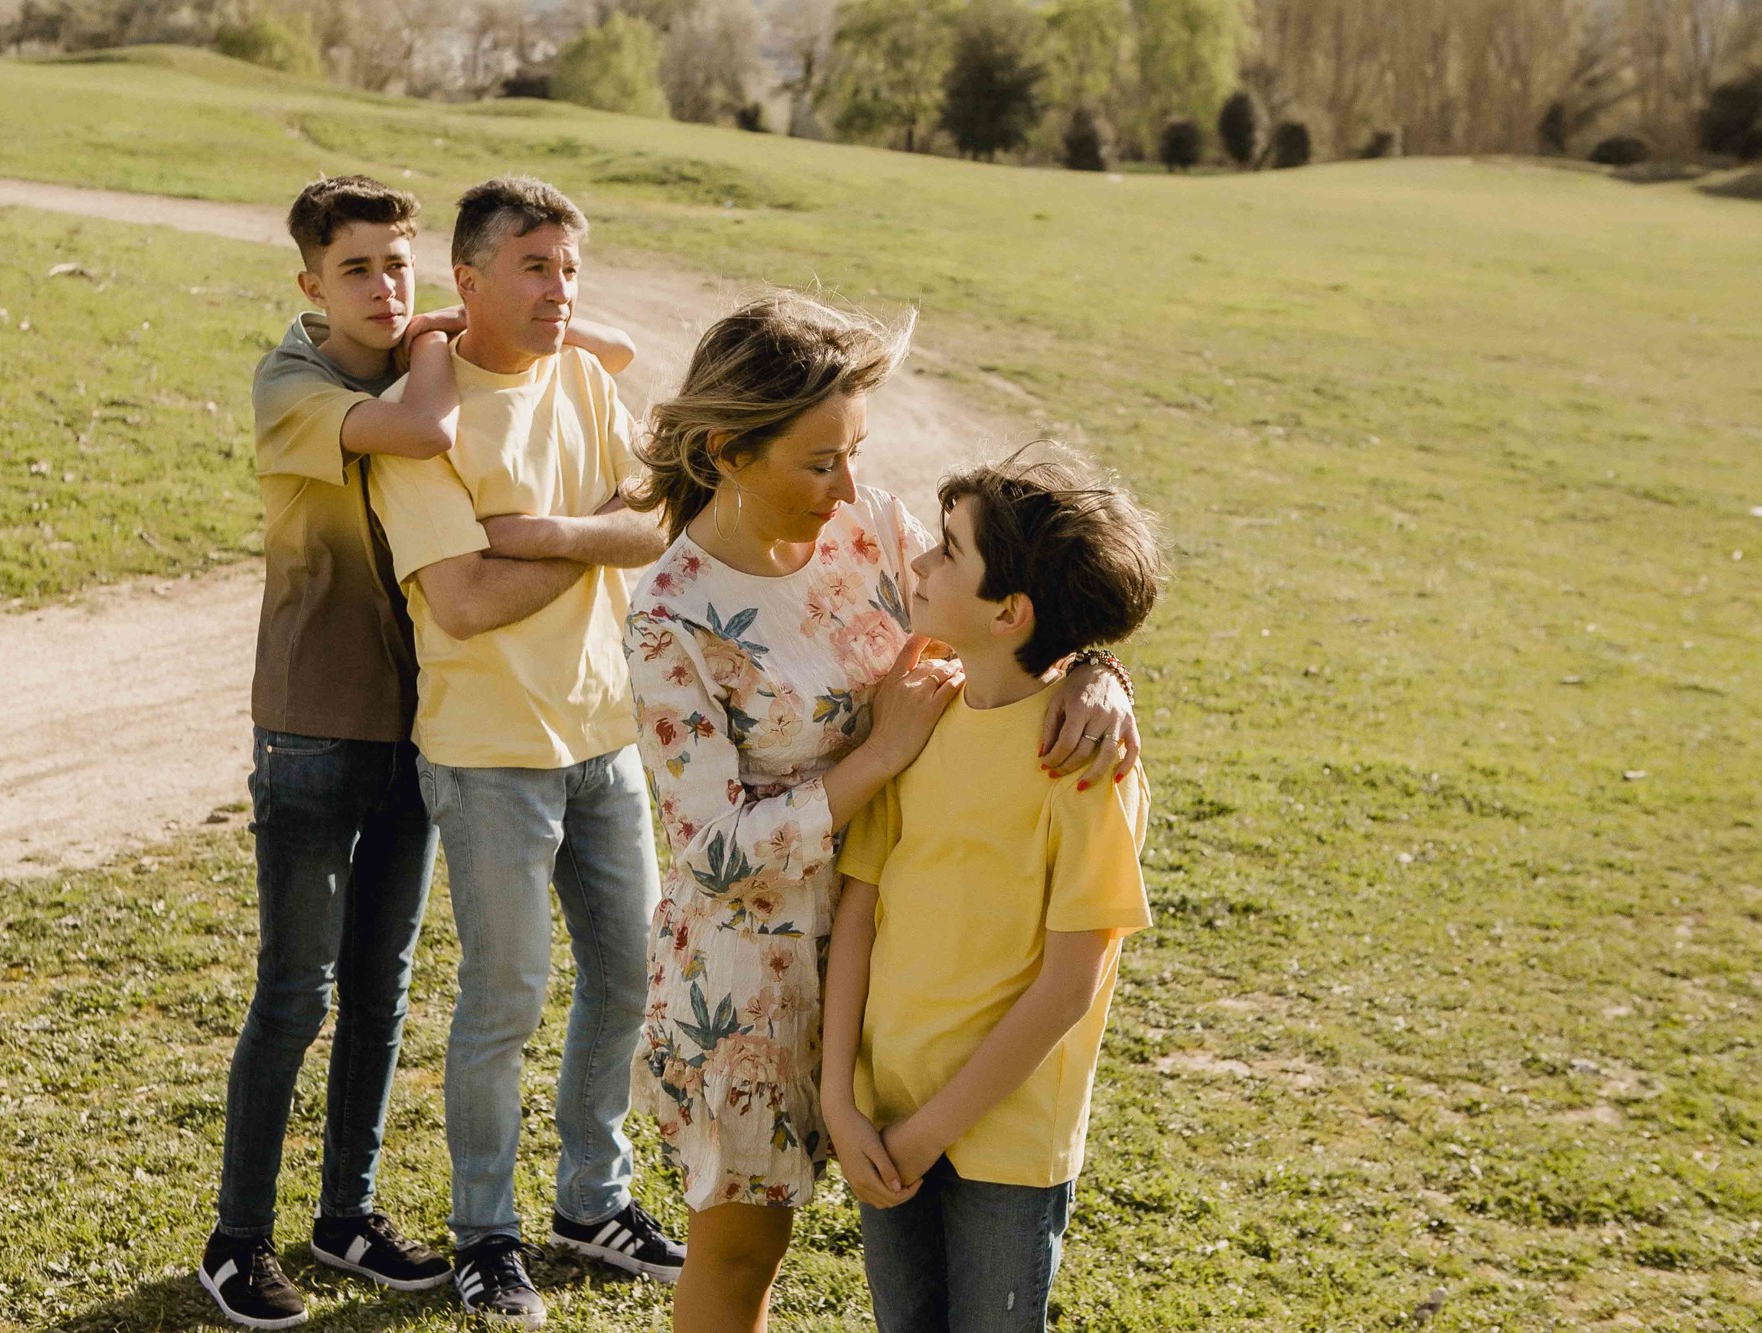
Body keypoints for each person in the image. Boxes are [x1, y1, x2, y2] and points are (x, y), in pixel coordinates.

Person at [622, 293, 1139, 1333]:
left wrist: (1094, 671)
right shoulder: (668, 613)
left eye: (854, 451)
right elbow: (712, 850)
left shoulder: (861, 526)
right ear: (727, 451)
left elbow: (1007, 611)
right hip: (755, 974)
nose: (852, 486)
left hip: (906, 963)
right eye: (820, 461)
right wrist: (879, 756)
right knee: (739, 1259)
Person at [201, 173, 636, 1332]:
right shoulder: (302, 382)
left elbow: (616, 353)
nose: (381, 288)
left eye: (397, 265)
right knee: (295, 993)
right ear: (309, 284)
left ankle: (345, 1215)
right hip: (311, 719)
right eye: (356, 269)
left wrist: (473, 319)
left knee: (381, 990)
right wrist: (446, 330)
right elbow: (434, 444)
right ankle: (236, 1237)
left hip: (411, 725)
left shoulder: (423, 350)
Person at [365, 175, 683, 1328]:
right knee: (505, 997)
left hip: (604, 737)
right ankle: (484, 1234)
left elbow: (653, 521)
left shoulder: (590, 380)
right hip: (488, 751)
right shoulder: (426, 423)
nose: (561, 290)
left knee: (629, 975)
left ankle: (591, 1201)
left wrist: (549, 532)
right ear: (473, 278)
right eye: (537, 267)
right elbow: (459, 601)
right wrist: (596, 541)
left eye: (570, 269)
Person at [823, 449, 1163, 1332]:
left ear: (1010, 611)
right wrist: (838, 1096)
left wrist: (929, 1134)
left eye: (947, 551)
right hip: (881, 1105)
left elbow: (1069, 983)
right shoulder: (920, 712)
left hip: (1005, 1141)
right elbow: (859, 906)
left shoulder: (1084, 766)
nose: (923, 565)